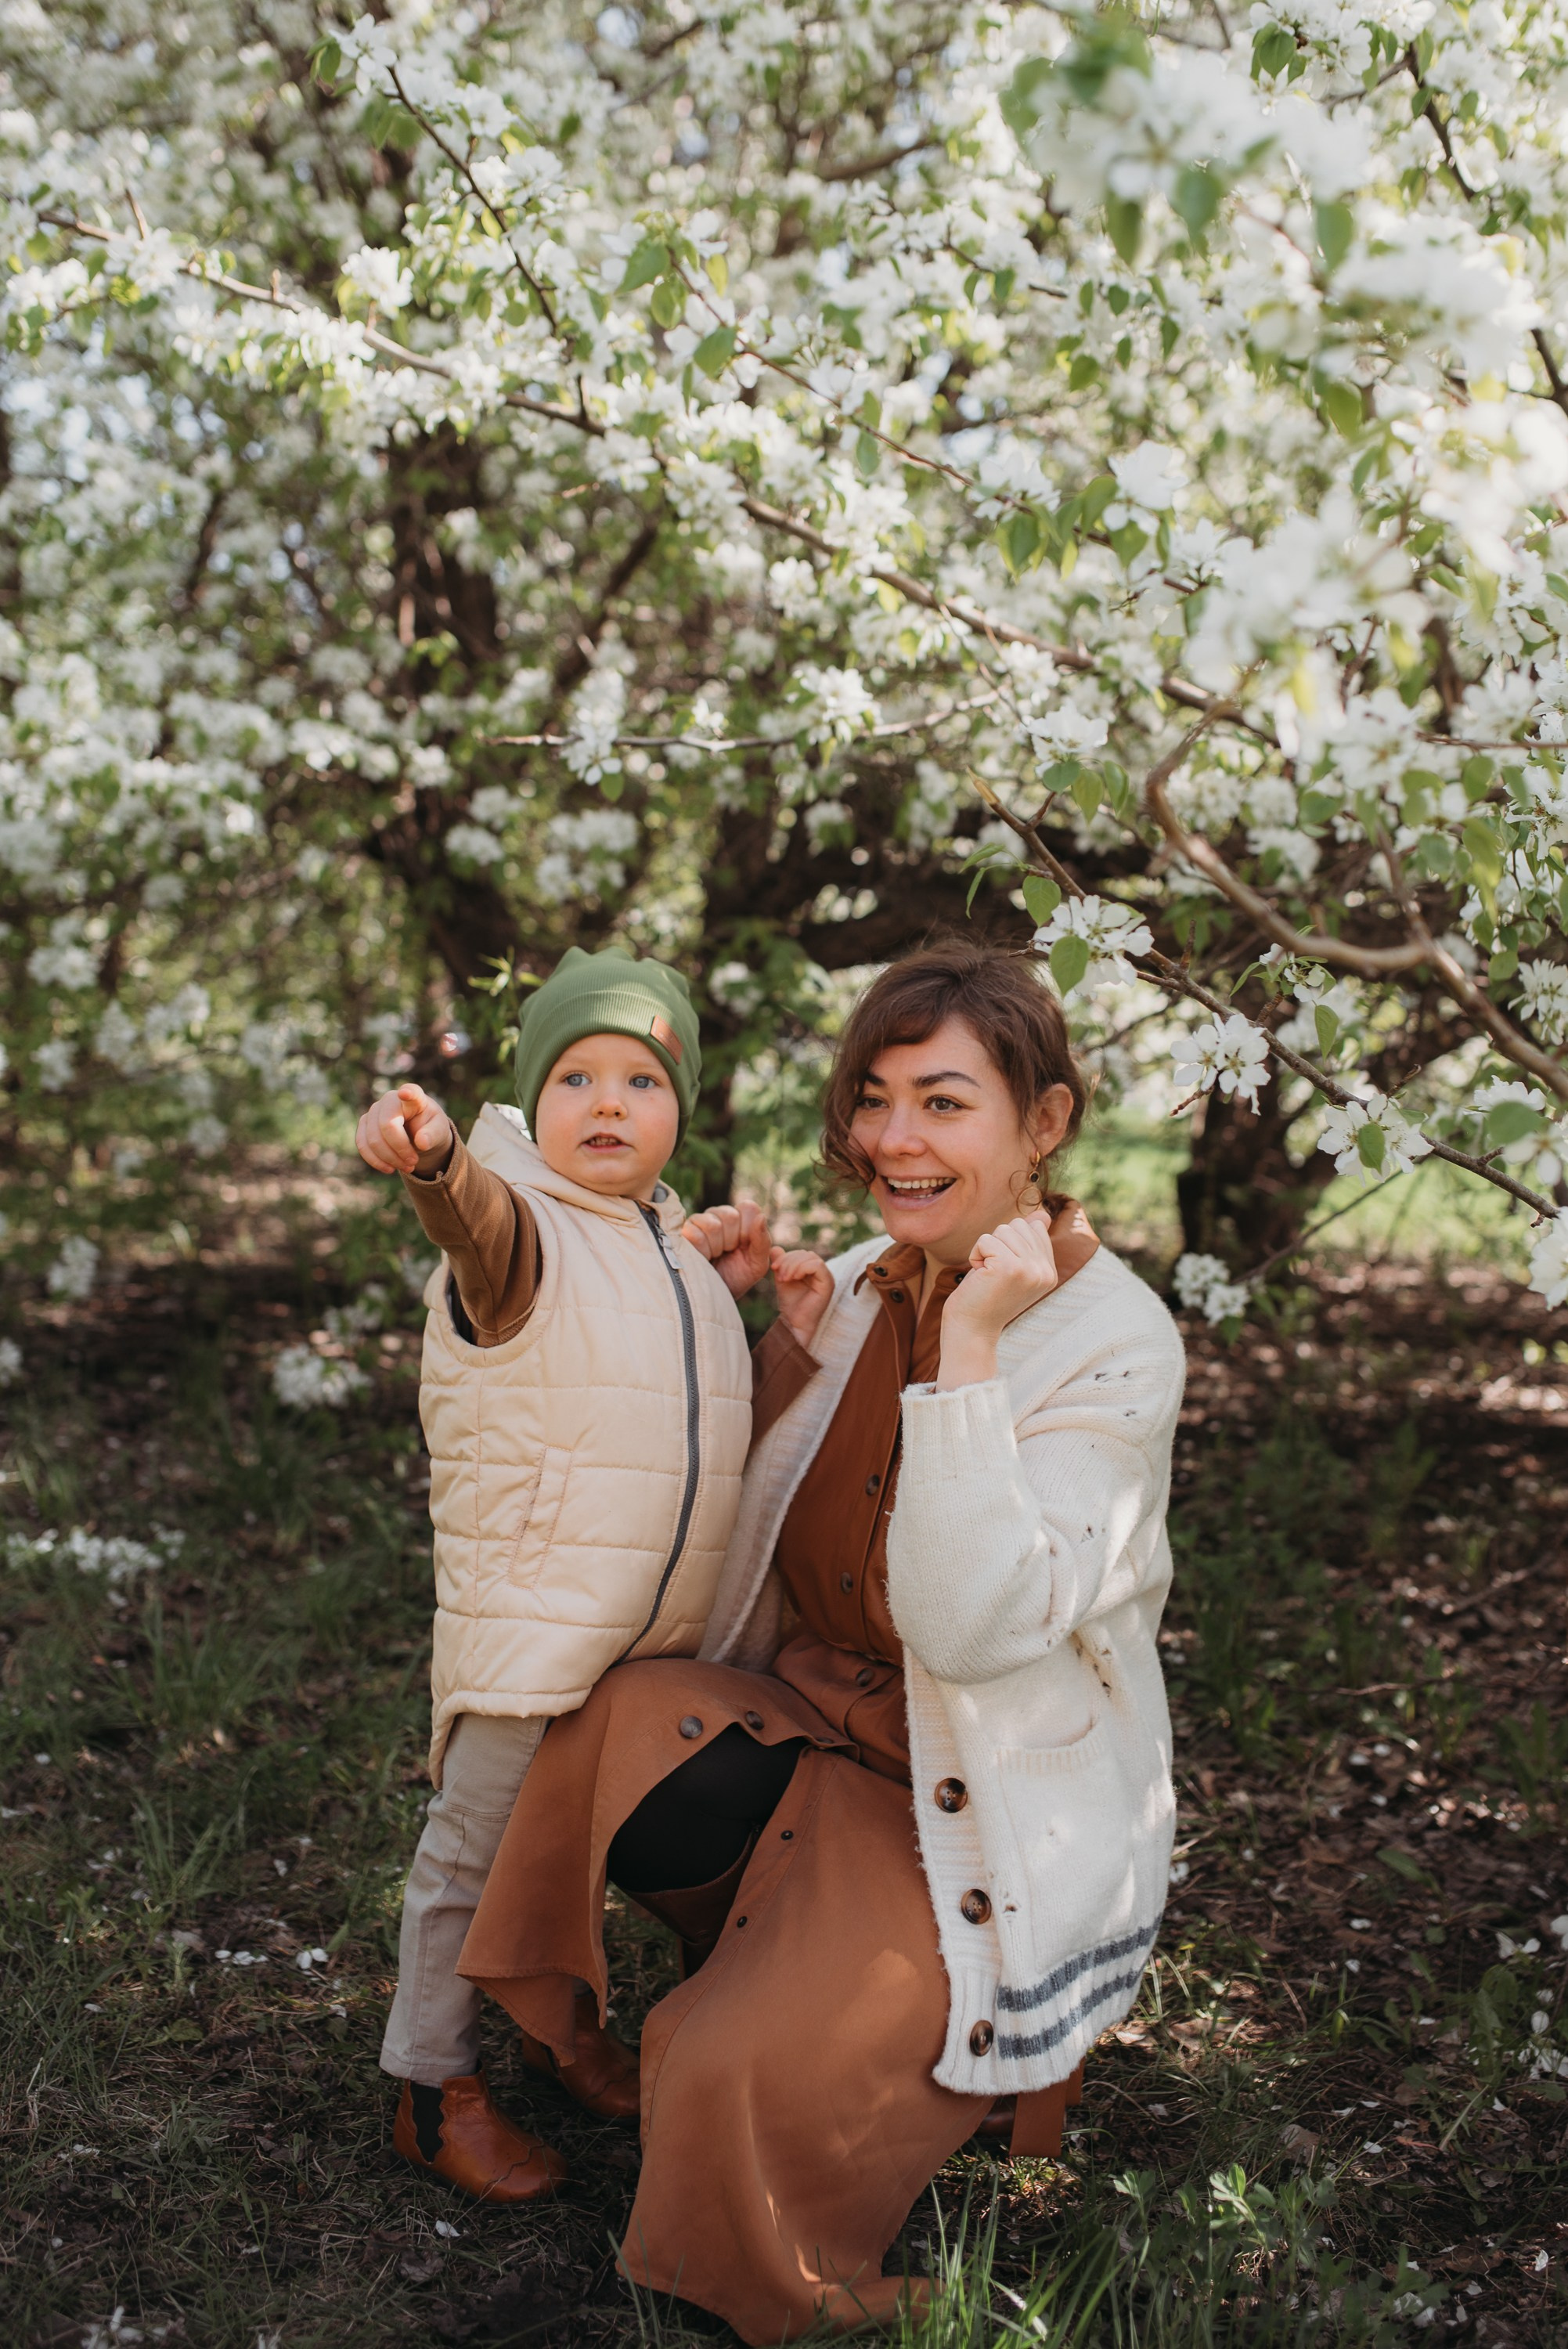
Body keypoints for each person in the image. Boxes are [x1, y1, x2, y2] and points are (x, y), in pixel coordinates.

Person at [460, 938, 1187, 2340]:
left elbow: (974, 1630)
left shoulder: (1115, 1341)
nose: (892, 1141)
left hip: (962, 1804)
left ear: (1043, 1124)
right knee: (597, 1717)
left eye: (943, 1103)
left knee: (721, 2074)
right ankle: (775, 1967)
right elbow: (746, 1520)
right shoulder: (857, 1283)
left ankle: (911, 2045)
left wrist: (970, 1347)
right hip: (809, 1736)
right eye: (873, 1098)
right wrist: (766, 1349)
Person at [353, 944, 754, 2204]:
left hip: (646, 1642)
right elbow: (474, 1224)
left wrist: (722, 1278)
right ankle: (431, 2085)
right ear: (534, 1104)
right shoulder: (516, 1232)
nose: (608, 1103)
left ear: (681, 1107)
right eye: (574, 1077)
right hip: (532, 1633)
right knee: (473, 1858)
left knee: (574, 1857)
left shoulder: (666, 1252)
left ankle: (559, 2026)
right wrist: (432, 1162)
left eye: (641, 1078)